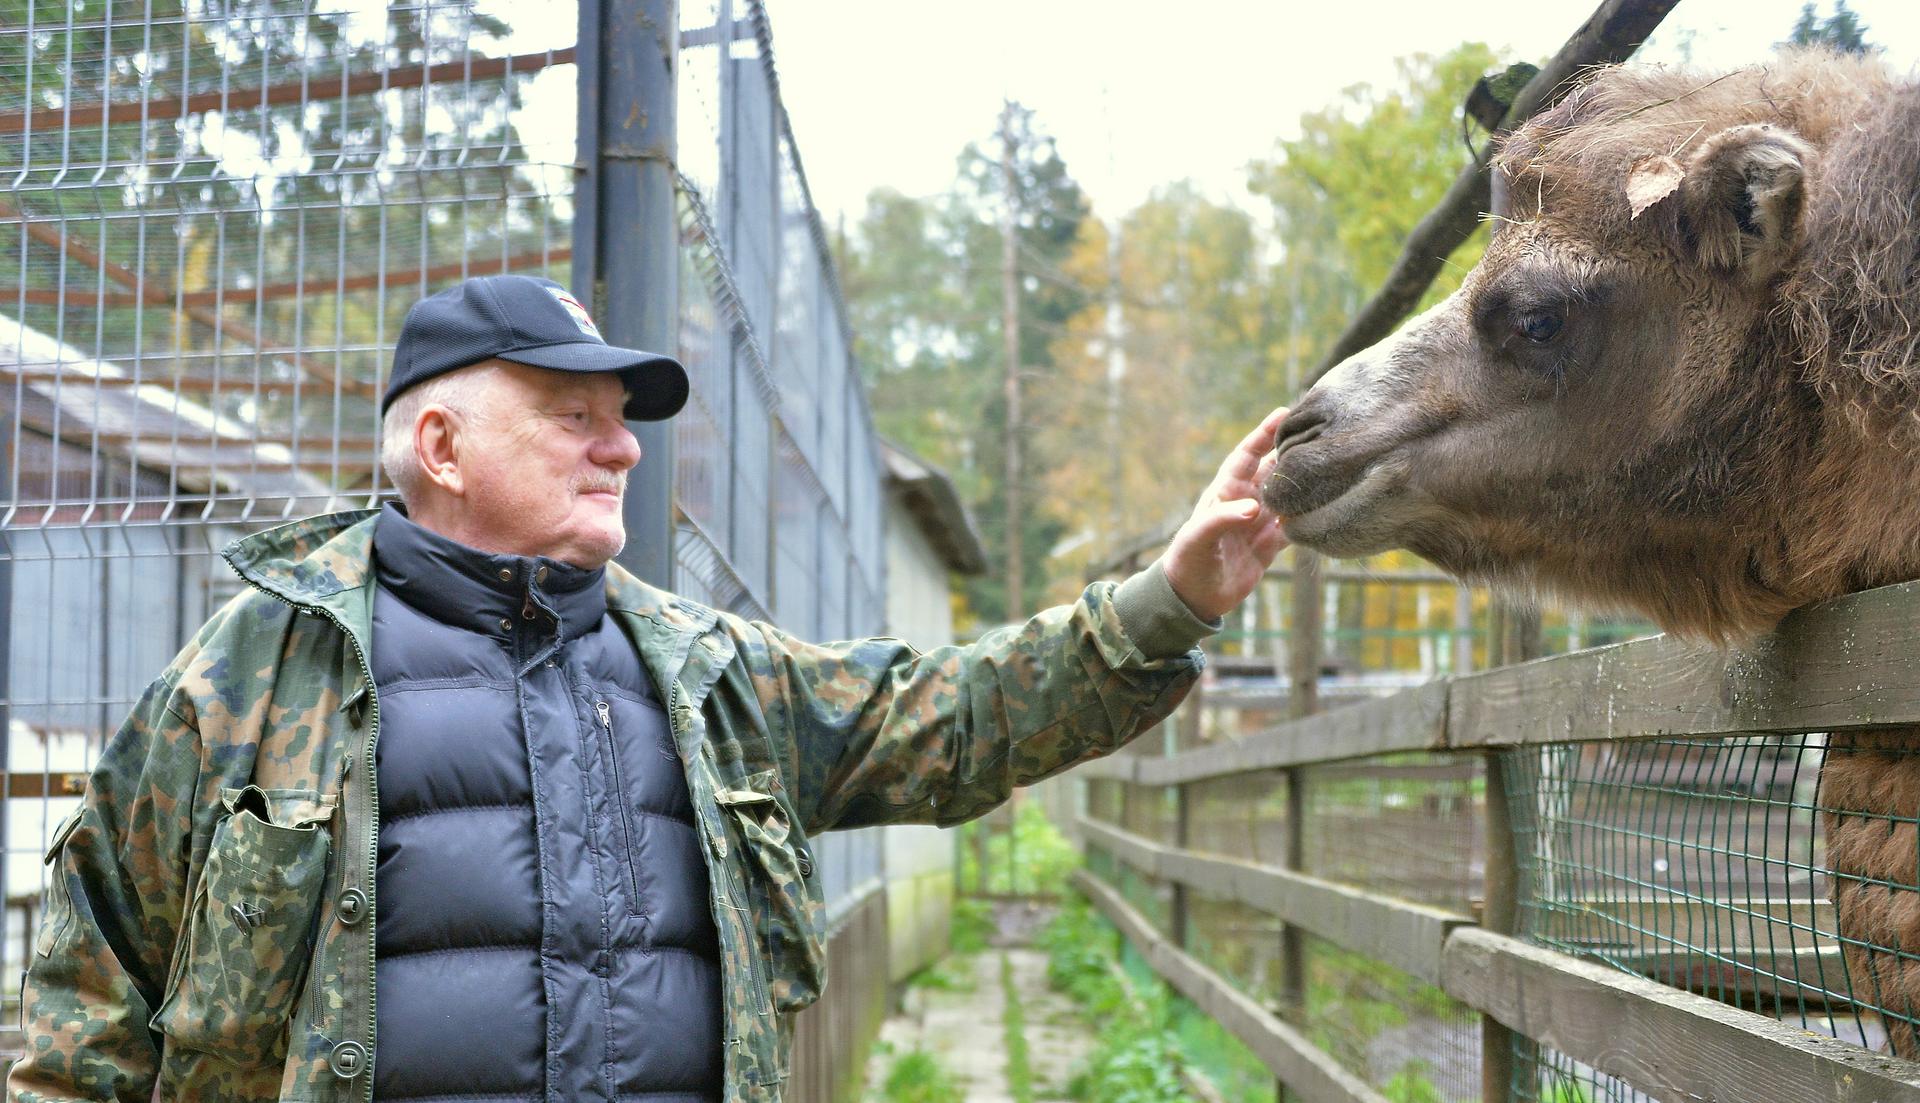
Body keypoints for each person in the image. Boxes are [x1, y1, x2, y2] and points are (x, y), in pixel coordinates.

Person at [8, 275, 1289, 1103]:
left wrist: (1172, 598)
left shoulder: (705, 670)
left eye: (622, 414)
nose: (622, 443)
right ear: (441, 446)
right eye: (572, 412)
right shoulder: (253, 672)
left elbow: (945, 718)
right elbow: (85, 1009)